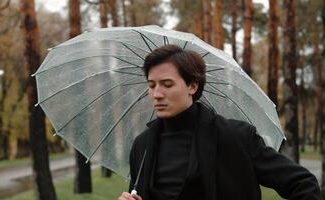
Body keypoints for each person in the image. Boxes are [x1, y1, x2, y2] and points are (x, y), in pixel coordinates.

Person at [118, 44, 320, 200]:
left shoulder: (236, 137)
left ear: (192, 86)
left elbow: (303, 184)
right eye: (151, 85)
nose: (157, 94)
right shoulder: (142, 146)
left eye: (167, 84)